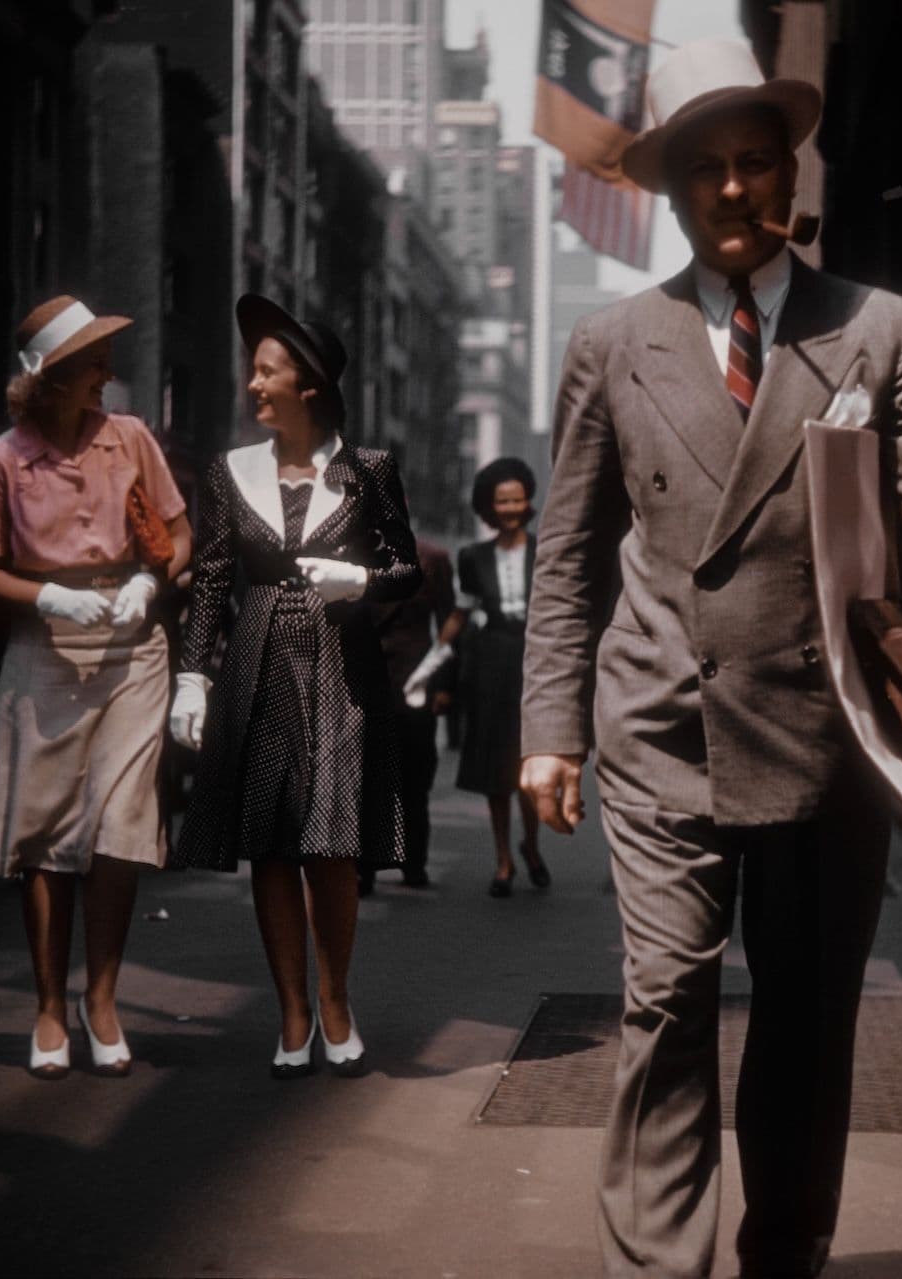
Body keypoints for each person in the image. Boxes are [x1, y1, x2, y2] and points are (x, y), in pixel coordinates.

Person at [519, 41, 902, 1278]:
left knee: (805, 1018)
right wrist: (550, 727)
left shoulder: (881, 330)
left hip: (826, 732)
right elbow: (568, 549)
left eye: (757, 162)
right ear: (674, 191)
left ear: (792, 175)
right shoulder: (611, 343)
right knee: (666, 1001)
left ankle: (784, 1251)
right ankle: (658, 1265)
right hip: (663, 726)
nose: (736, 189)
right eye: (709, 169)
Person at [169, 293, 420, 1079]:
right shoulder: (230, 471)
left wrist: (362, 580)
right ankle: (292, 1010)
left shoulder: (369, 469)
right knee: (272, 846)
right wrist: (191, 675)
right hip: (259, 659)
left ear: (307, 384)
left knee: (332, 843)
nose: (253, 383)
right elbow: (212, 577)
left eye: (266, 371)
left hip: (342, 664)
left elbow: (407, 569)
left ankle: (336, 1001)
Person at [0, 295, 192, 1079]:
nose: (106, 372)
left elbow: (179, 532)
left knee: (121, 826)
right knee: (47, 835)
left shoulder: (131, 438)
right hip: (48, 646)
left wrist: (149, 583)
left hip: (132, 647)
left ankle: (102, 998)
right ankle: (48, 1007)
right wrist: (49, 597)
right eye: (93, 362)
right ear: (52, 376)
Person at [440, 457, 548, 897]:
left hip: (534, 664)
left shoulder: (544, 551)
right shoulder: (472, 557)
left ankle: (531, 845)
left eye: (517, 500)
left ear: (528, 502)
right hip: (491, 667)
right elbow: (460, 614)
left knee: (529, 767)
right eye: (502, 501)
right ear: (489, 506)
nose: (510, 508)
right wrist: (432, 663)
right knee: (495, 773)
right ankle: (504, 859)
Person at [361, 534, 457, 894]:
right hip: (364, 676)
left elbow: (448, 623)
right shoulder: (350, 554)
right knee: (365, 776)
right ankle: (364, 868)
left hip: (415, 679)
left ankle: (414, 861)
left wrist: (444, 685)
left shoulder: (432, 557)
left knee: (415, 776)